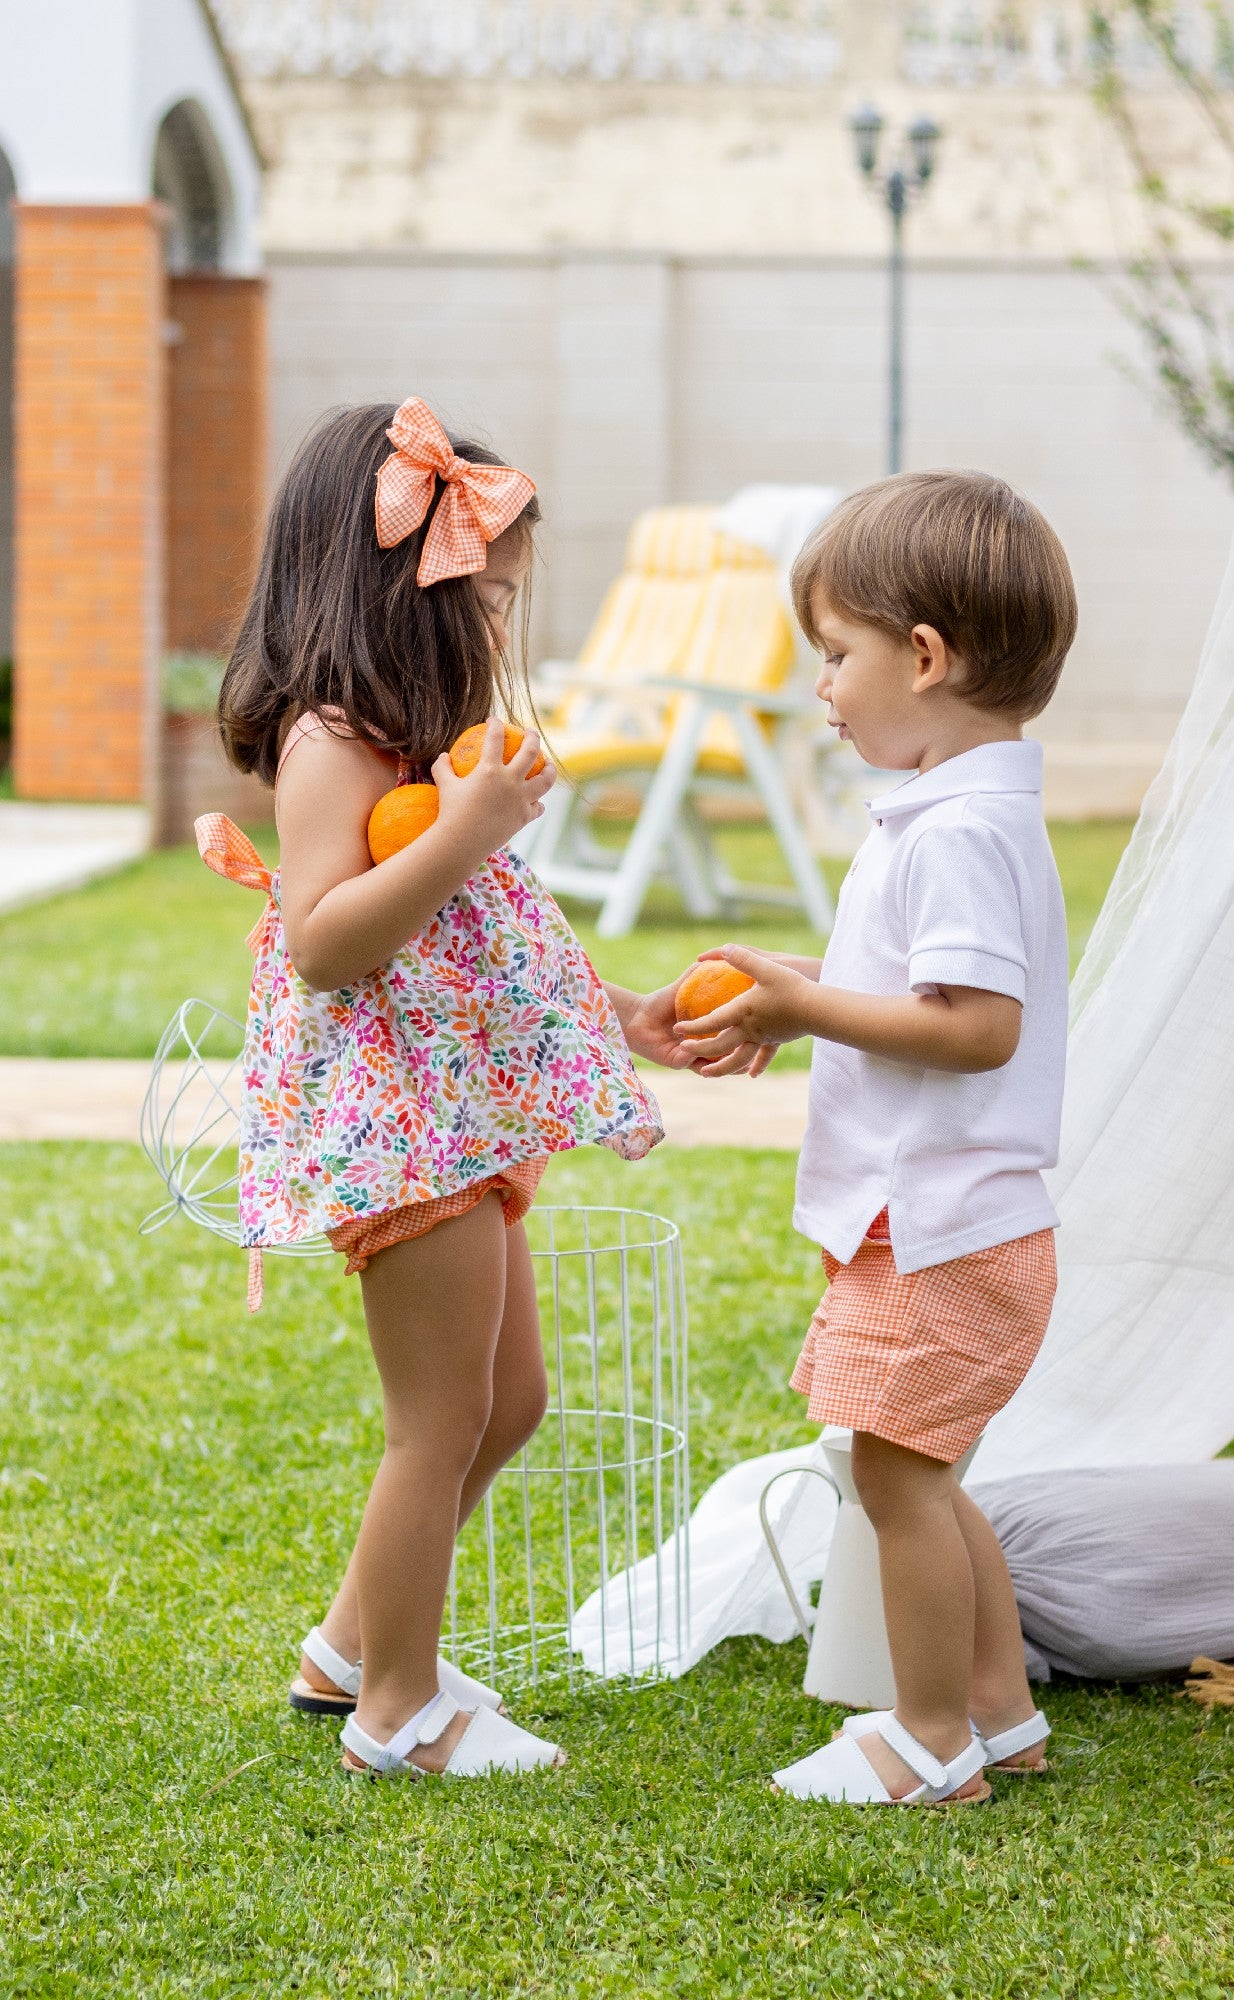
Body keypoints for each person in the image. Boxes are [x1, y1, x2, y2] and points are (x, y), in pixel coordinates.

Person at [205, 399, 743, 1781]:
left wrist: (617, 1015)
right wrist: (463, 831)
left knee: (507, 1406)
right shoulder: (335, 739)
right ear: (392, 592)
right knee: (437, 1419)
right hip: (395, 1127)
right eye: (481, 601)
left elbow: (490, 946)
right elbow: (329, 944)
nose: (497, 630)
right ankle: (397, 1709)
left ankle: (346, 1649)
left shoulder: (425, 739)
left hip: (458, 1112)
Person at [677, 471, 1077, 1806]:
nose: (823, 690)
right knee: (917, 1471)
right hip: (956, 1225)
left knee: (894, 1483)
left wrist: (803, 1005)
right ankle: (994, 1710)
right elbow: (914, 991)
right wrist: (798, 997)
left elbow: (972, 1027)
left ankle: (923, 1741)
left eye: (835, 656)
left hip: (943, 1232)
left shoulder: (959, 830)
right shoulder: (959, 818)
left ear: (924, 655)